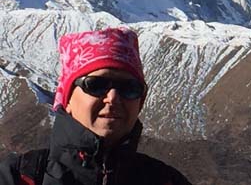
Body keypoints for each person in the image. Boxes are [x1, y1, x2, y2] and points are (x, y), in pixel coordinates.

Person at [0, 27, 191, 184]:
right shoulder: (18, 178)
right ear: (67, 99)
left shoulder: (167, 181)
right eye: (96, 85)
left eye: (129, 88)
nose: (113, 97)